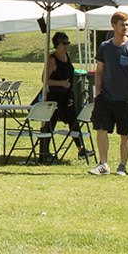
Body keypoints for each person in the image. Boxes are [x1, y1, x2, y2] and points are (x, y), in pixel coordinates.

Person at [88, 11, 128, 177]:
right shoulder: (105, 47)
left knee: (125, 133)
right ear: (113, 26)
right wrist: (98, 93)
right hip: (105, 97)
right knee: (101, 129)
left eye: (127, 25)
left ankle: (122, 166)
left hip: (125, 99)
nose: (125, 28)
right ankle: (103, 164)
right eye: (122, 25)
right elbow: (99, 71)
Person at [38, 31, 87, 162]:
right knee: (50, 123)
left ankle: (81, 149)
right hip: (54, 97)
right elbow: (44, 80)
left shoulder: (67, 56)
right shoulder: (52, 59)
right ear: (57, 45)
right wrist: (61, 83)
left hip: (67, 96)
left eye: (68, 43)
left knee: (73, 120)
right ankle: (44, 152)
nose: (67, 46)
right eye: (64, 43)